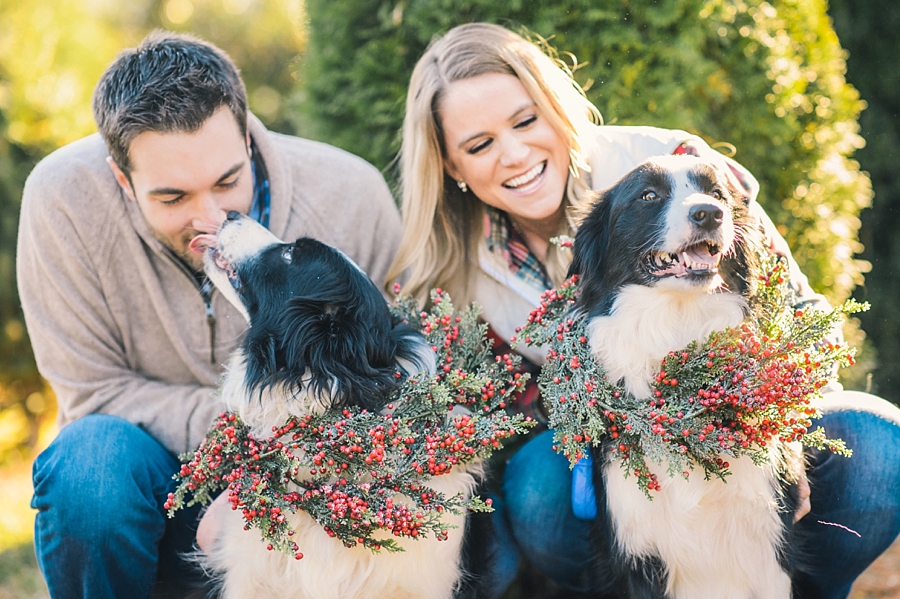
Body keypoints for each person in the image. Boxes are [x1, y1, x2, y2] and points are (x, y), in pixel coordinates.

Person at [387, 22, 900, 598]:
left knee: (875, 443)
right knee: (537, 489)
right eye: (479, 145)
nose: (514, 155)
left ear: (555, 110)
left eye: (525, 121)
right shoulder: (451, 267)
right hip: (618, 458)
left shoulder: (673, 167)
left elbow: (794, 312)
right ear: (452, 166)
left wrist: (781, 430)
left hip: (749, 427)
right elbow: (497, 407)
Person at [17, 31, 402, 598]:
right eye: (173, 198)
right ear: (122, 179)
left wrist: (268, 478)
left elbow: (390, 379)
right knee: (88, 466)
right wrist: (245, 442)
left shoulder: (352, 193)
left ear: (246, 140)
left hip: (314, 488)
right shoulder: (62, 200)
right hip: (146, 477)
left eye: (227, 182)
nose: (210, 219)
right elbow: (93, 391)